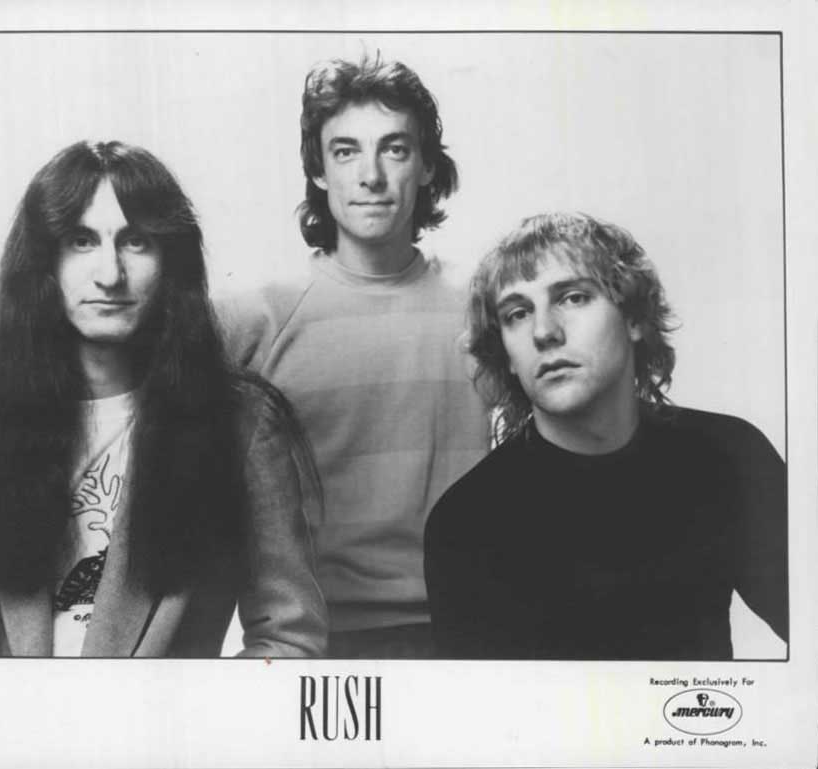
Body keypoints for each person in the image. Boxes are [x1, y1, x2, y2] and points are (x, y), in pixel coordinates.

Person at [0, 140, 328, 658]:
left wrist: (190, 708)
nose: (110, 274)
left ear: (171, 262)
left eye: (136, 242)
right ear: (44, 263)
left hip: (167, 715)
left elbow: (289, 637)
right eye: (81, 241)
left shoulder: (240, 424)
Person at [424, 211, 788, 660]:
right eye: (517, 314)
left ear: (632, 317)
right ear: (508, 357)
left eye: (573, 297)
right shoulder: (465, 523)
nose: (544, 332)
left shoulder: (731, 457)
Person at [220, 54, 490, 658]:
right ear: (318, 171)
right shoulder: (256, 319)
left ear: (426, 167)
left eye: (394, 149)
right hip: (314, 642)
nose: (370, 175)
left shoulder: (485, 307)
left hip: (470, 632)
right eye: (345, 152)